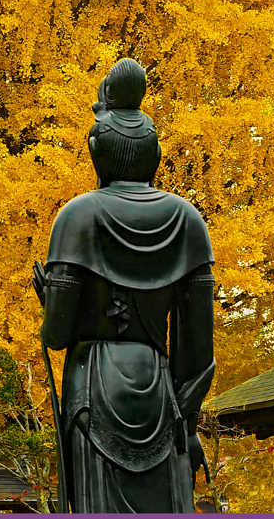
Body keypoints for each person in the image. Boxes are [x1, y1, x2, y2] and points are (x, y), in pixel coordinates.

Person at [35, 58, 216, 513]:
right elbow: (199, 354)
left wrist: (50, 300)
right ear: (151, 154)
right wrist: (185, 420)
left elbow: (55, 337)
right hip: (159, 392)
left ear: (97, 150)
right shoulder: (188, 221)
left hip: (93, 388)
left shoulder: (77, 218)